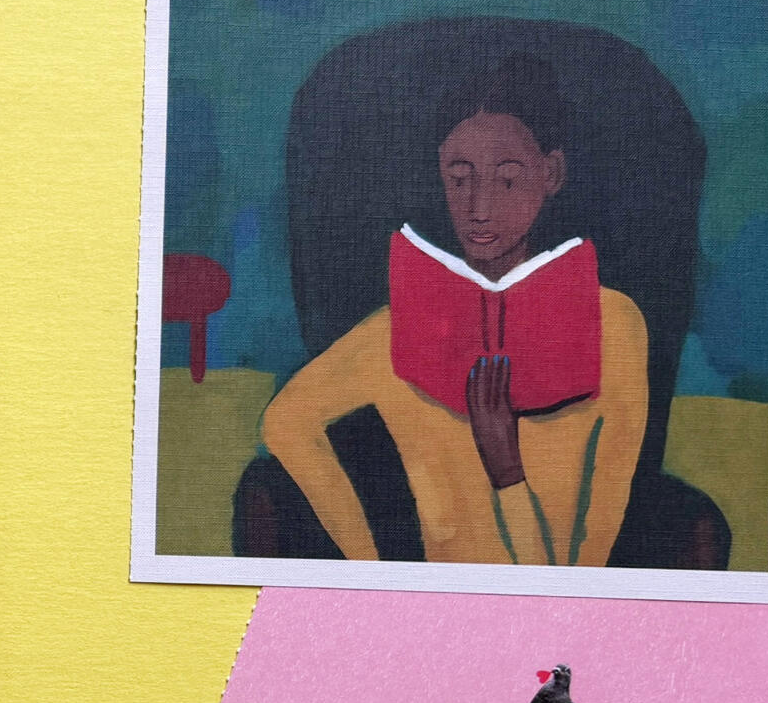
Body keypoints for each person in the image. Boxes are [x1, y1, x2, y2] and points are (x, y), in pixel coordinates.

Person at [259, 55, 647, 566]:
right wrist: (366, 561)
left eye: (507, 180)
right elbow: (284, 424)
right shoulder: (399, 328)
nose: (479, 209)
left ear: (551, 173)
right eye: (459, 178)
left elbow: (582, 569)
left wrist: (506, 468)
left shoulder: (614, 325)